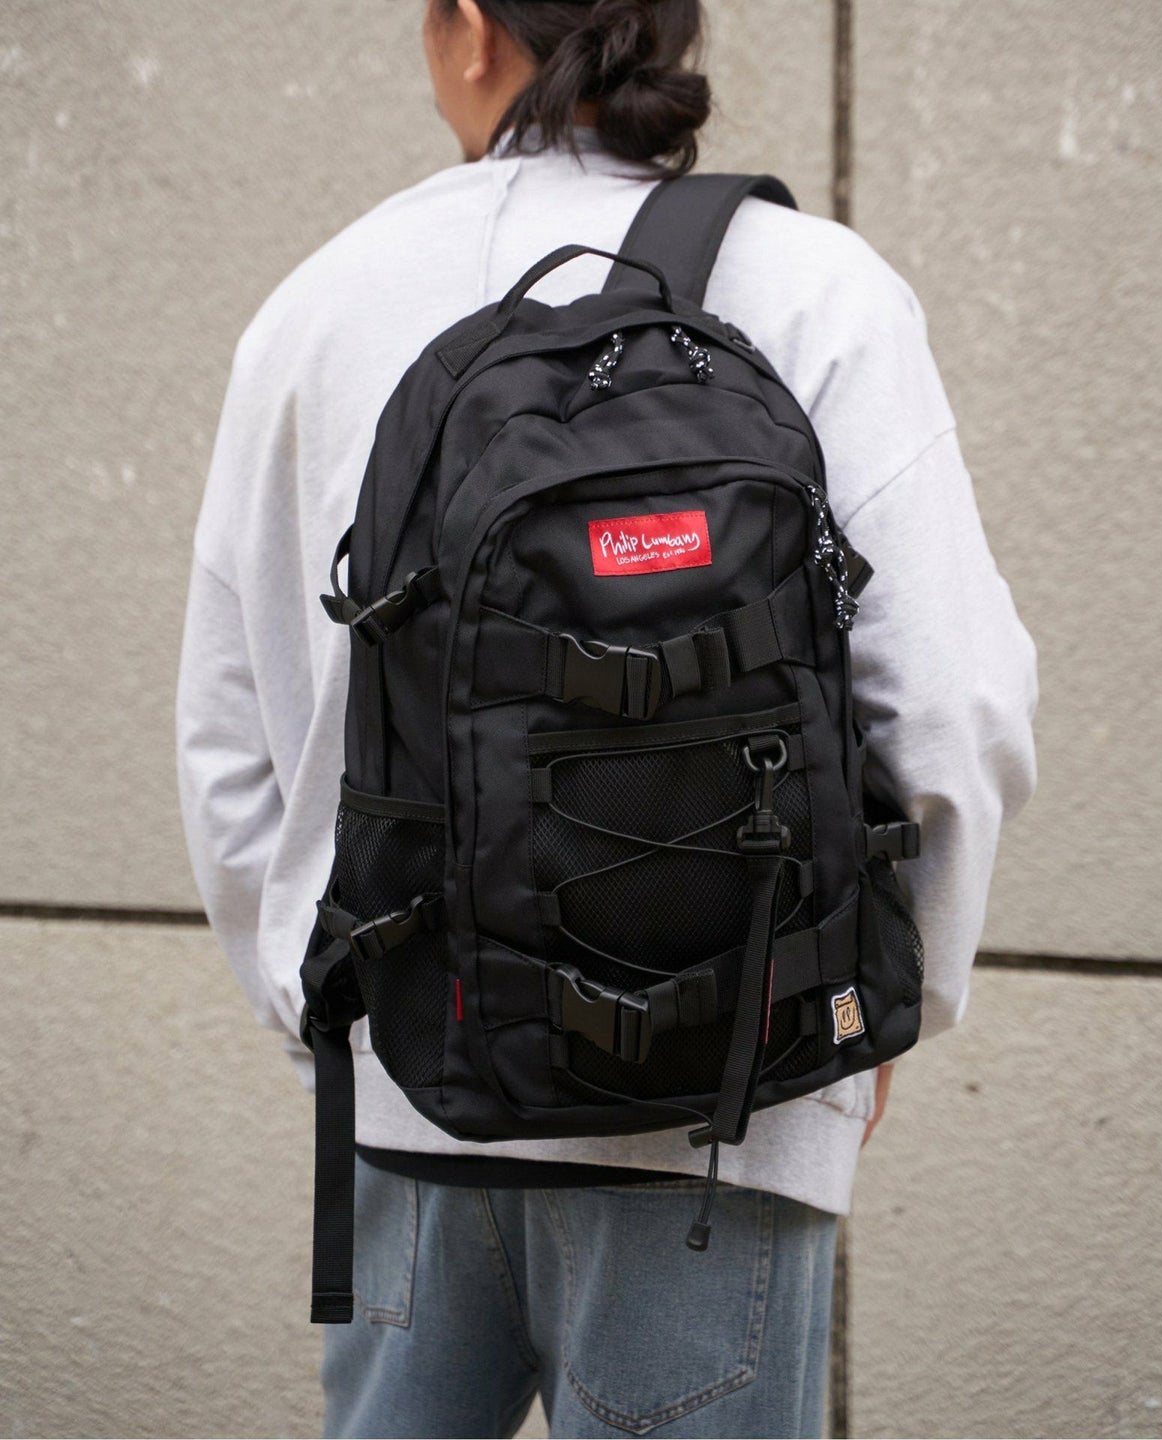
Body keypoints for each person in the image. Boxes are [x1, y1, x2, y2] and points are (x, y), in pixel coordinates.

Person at [176, 1, 1039, 1436]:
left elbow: (231, 745)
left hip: (410, 1095)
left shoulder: (317, 307)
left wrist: (336, 1021)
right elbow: (954, 711)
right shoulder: (818, 288)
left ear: (468, 27)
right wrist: (866, 1007)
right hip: (727, 1112)